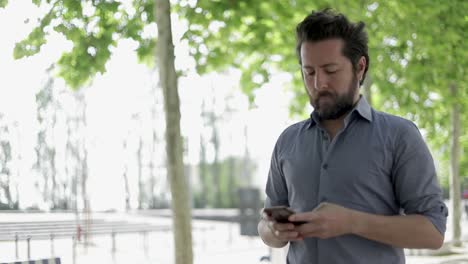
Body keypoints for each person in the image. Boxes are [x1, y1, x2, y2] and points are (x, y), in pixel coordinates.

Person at [258, 8, 448, 264]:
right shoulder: (287, 141)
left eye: (330, 70)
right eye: (309, 72)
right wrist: (273, 231)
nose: (318, 84)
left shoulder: (400, 136)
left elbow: (433, 233)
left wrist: (352, 222)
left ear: (360, 67)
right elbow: (266, 228)